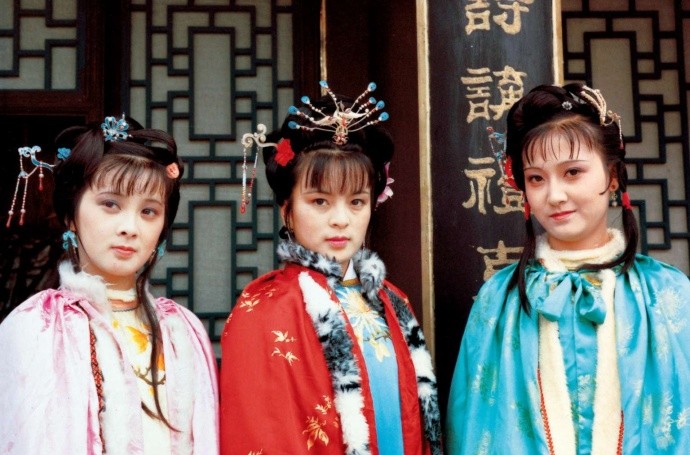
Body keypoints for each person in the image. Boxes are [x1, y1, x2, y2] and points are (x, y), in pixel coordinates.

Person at [446, 83, 690, 454]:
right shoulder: (497, 300)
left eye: (572, 172)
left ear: (612, 176)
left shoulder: (670, 293)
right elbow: (471, 426)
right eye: (536, 178)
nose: (555, 195)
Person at [219, 81, 443, 454]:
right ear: (287, 209)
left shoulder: (393, 301)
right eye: (320, 201)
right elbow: (260, 433)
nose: (341, 219)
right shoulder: (263, 309)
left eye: (356, 202)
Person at [0, 116, 219, 454]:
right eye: (110, 204)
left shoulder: (182, 329)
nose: (130, 227)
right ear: (71, 215)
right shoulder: (35, 326)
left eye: (148, 211)